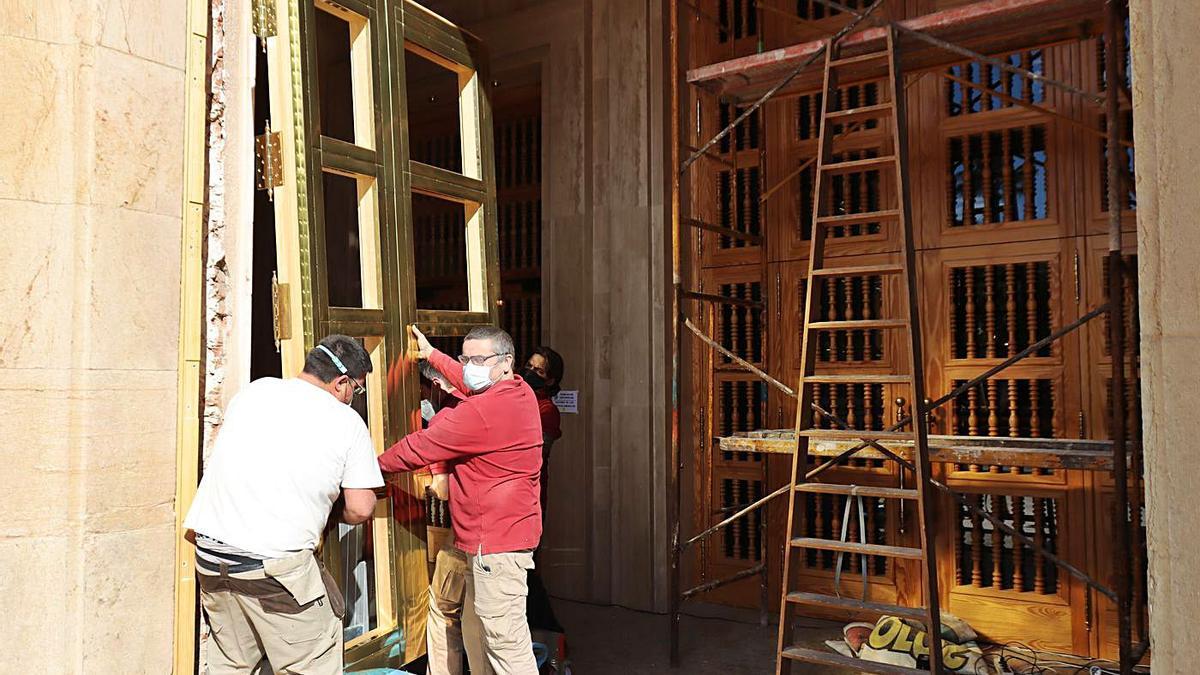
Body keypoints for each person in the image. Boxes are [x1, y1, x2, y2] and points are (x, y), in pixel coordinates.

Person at [183, 335, 384, 675]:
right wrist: (330, 514)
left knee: (231, 663)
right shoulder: (346, 422)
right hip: (274, 567)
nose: (354, 398)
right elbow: (362, 508)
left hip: (212, 557)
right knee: (312, 662)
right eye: (357, 390)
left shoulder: (254, 392)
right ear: (341, 383)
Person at [378, 324, 542, 675]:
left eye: (479, 359)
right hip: (495, 539)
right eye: (466, 358)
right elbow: (467, 381)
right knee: (485, 633)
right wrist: (433, 354)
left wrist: (369, 469)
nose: (469, 366)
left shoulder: (481, 413)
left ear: (506, 362)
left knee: (507, 646)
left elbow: (418, 447)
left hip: (494, 547)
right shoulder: (518, 391)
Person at [520, 346, 564, 521]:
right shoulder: (512, 395)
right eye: (529, 366)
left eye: (539, 371)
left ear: (550, 380)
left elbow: (538, 453)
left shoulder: (547, 410)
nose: (530, 372)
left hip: (527, 496)